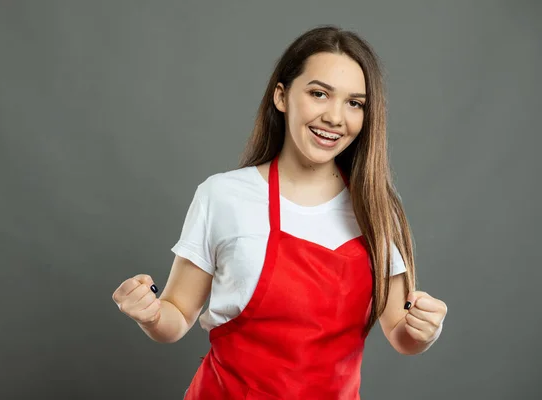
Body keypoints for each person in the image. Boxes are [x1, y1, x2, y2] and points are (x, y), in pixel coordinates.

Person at [112, 25, 448, 399]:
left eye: (355, 103)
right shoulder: (223, 196)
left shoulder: (374, 210)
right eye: (319, 94)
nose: (336, 117)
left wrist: (424, 329)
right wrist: (151, 314)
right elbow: (176, 315)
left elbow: (401, 335)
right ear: (282, 97)